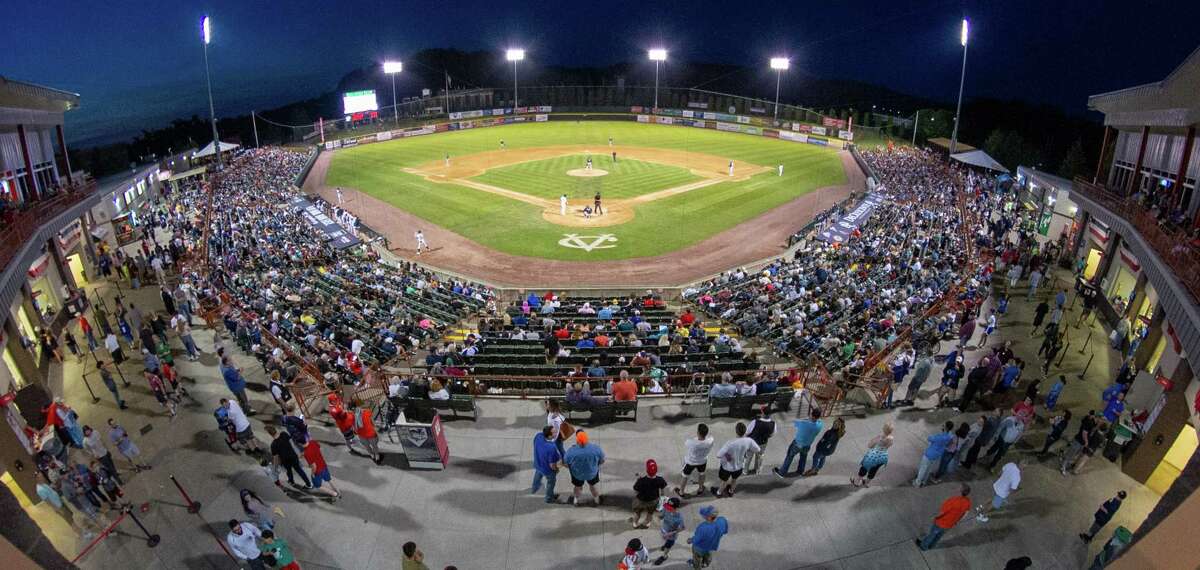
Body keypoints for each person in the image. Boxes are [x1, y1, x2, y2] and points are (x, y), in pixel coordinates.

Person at [916, 484, 972, 551]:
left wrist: (933, 517)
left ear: (960, 491)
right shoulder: (967, 502)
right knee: (938, 536)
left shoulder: (952, 501)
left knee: (932, 535)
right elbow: (965, 514)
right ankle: (931, 546)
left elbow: (942, 512)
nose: (956, 488)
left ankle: (923, 546)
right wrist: (957, 521)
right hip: (950, 525)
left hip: (940, 522)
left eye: (958, 488)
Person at [712, 422, 760, 498]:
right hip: (739, 466)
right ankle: (731, 492)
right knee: (734, 480)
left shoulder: (730, 443)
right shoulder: (748, 441)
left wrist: (726, 454)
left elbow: (718, 455)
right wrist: (747, 450)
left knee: (724, 481)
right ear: (745, 431)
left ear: (736, 431)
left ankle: (719, 493)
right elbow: (758, 449)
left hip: (727, 467)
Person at [774, 408, 822, 478]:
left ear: (812, 415)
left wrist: (807, 419)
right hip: (807, 445)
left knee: (789, 456)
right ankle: (800, 471)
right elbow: (819, 421)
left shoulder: (804, 423)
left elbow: (795, 423)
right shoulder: (820, 425)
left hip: (797, 444)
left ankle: (782, 472)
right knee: (803, 457)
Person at [563, 430, 605, 507]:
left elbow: (565, 465)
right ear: (587, 438)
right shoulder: (596, 449)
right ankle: (596, 499)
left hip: (577, 474)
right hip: (592, 473)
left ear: (577, 440)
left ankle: (576, 500)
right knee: (593, 486)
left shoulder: (571, 451)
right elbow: (602, 461)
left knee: (578, 487)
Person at [266, 425, 311, 489]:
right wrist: (298, 453)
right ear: (275, 429)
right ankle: (308, 484)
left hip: (285, 460)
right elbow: (292, 444)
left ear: (270, 434)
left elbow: (276, 458)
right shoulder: (284, 434)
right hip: (293, 456)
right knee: (299, 470)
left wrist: (275, 467)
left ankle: (291, 481)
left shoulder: (273, 445)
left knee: (289, 471)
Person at [675, 423, 714, 498]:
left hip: (691, 462)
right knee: (702, 473)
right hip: (703, 461)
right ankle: (700, 489)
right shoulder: (710, 440)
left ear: (698, 432)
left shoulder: (691, 442)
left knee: (685, 476)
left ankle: (681, 492)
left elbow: (686, 443)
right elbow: (710, 438)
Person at [851, 422, 893, 488]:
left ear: (883, 429)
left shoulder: (879, 437)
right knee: (874, 470)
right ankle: (866, 482)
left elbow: (869, 445)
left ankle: (857, 482)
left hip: (873, 456)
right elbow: (888, 446)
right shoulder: (891, 438)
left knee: (864, 468)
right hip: (883, 457)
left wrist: (873, 440)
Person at [914, 421, 955, 487]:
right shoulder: (949, 436)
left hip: (929, 454)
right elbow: (949, 444)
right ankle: (924, 481)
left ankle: (917, 483)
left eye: (944, 425)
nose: (943, 425)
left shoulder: (940, 437)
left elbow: (929, 438)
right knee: (929, 469)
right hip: (937, 455)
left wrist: (934, 435)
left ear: (946, 427)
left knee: (923, 468)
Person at [631, 459, 666, 529]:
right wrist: (662, 499)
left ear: (647, 470)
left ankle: (635, 523)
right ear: (656, 470)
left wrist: (638, 479)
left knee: (637, 513)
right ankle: (646, 524)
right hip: (653, 500)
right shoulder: (660, 480)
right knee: (650, 513)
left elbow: (636, 490)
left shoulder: (641, 481)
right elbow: (662, 492)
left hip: (641, 501)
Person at [530, 425, 562, 504]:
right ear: (549, 436)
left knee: (538, 474)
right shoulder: (551, 447)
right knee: (551, 483)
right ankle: (549, 498)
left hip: (538, 464)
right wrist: (556, 469)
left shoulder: (538, 436)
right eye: (554, 432)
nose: (556, 433)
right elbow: (552, 465)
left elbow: (535, 445)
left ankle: (534, 488)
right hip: (548, 470)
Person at [653, 497, 685, 566]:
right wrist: (658, 519)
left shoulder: (679, 517)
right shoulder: (666, 508)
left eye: (670, 507)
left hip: (671, 536)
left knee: (668, 546)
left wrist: (671, 533)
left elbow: (682, 528)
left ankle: (664, 556)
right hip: (664, 530)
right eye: (667, 506)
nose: (667, 508)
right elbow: (661, 516)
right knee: (665, 541)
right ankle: (665, 545)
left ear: (676, 508)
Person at [744, 408, 775, 475]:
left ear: (762, 413)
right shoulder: (773, 424)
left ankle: (745, 471)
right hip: (763, 443)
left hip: (752, 442)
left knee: (748, 456)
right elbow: (772, 434)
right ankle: (757, 470)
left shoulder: (755, 422)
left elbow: (747, 432)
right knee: (760, 457)